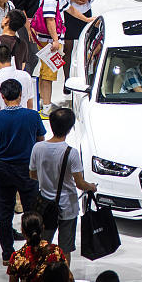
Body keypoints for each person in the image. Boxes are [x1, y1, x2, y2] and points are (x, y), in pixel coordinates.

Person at [0, 77, 45, 264]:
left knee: (6, 212)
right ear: (21, 94)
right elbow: (40, 141)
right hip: (28, 170)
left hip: (3, 169)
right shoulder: (33, 116)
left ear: (2, 96)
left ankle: (7, 254)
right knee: (32, 212)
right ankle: (33, 248)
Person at [30, 108, 97, 260]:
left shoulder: (37, 147)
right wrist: (91, 186)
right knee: (64, 249)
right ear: (70, 127)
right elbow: (80, 184)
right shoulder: (71, 153)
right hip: (67, 207)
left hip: (45, 206)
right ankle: (64, 279)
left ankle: (44, 277)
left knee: (44, 244)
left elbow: (32, 175)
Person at [7, 212, 75, 282]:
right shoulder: (55, 251)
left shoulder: (17, 257)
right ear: (43, 228)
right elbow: (69, 277)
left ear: (22, 231)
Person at [36, 0, 70, 114]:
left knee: (46, 72)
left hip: (49, 40)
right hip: (50, 42)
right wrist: (56, 40)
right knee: (48, 75)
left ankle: (45, 104)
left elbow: (68, 8)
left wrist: (88, 19)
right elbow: (49, 19)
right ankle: (46, 108)